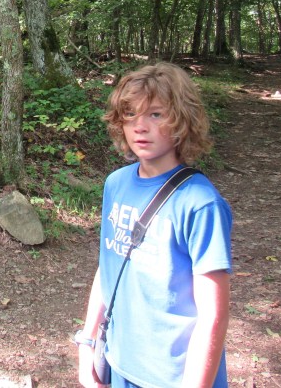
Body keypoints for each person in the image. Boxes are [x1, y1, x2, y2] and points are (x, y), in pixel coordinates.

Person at [75, 62, 233, 388]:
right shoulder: (116, 183)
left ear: (182, 119)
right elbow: (109, 267)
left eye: (156, 115)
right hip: (120, 361)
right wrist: (88, 342)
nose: (140, 127)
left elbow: (213, 316)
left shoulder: (200, 203)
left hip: (175, 375)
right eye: (130, 114)